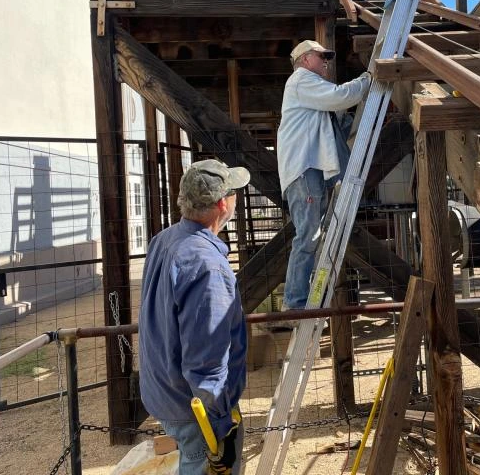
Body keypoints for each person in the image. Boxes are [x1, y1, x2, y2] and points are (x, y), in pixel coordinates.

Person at [139, 158, 250, 475]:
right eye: (234, 193)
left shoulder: (164, 240)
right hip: (193, 405)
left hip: (163, 389)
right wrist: (217, 419)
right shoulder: (206, 264)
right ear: (221, 204)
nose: (236, 199)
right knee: (205, 465)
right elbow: (206, 354)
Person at [277, 40, 373, 311]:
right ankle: (295, 302)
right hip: (303, 169)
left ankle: (299, 298)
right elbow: (340, 97)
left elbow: (334, 114)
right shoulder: (301, 80)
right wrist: (367, 79)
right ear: (306, 59)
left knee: (311, 235)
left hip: (309, 168)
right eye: (322, 56)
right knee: (308, 235)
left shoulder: (306, 86)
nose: (327, 61)